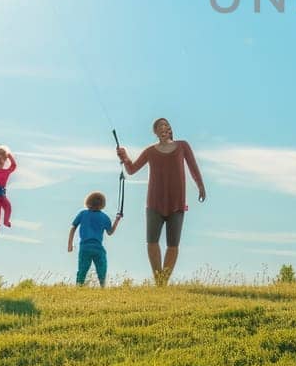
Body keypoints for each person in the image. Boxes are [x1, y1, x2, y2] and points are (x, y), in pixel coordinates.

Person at [117, 117, 206, 285]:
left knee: (173, 244)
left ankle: (164, 280)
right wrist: (124, 156)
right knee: (152, 241)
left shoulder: (182, 146)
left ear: (170, 130)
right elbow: (131, 169)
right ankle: (159, 280)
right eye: (159, 126)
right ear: (156, 133)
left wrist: (200, 185)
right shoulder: (150, 151)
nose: (163, 128)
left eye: (166, 125)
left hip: (177, 202)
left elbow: (193, 166)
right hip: (154, 202)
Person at [68, 191, 123, 287]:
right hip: (98, 247)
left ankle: (78, 287)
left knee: (82, 269)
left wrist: (70, 244)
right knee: (102, 268)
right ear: (102, 204)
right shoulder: (104, 217)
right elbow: (110, 232)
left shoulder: (83, 213)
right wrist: (117, 220)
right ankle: (102, 286)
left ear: (88, 201)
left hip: (85, 247)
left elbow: (73, 227)